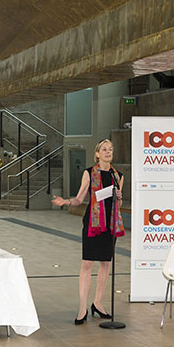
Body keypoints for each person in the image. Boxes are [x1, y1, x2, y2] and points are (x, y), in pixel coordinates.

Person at [52, 139, 124, 324]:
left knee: (105, 264)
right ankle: (82, 308)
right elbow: (79, 199)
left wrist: (119, 198)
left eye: (111, 149)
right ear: (97, 154)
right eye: (104, 149)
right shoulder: (89, 173)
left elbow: (119, 204)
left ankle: (98, 303)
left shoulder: (118, 176)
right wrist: (66, 202)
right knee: (86, 264)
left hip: (109, 224)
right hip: (93, 223)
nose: (108, 152)